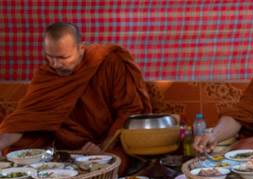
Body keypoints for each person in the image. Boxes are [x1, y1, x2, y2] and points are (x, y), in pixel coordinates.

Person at [0, 22, 151, 155]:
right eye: (50, 57)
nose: (55, 64)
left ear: (80, 48)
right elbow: (25, 118)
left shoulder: (109, 63)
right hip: (66, 144)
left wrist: (104, 146)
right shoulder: (47, 74)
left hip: (108, 139)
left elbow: (129, 109)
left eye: (63, 58)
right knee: (18, 149)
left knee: (117, 160)